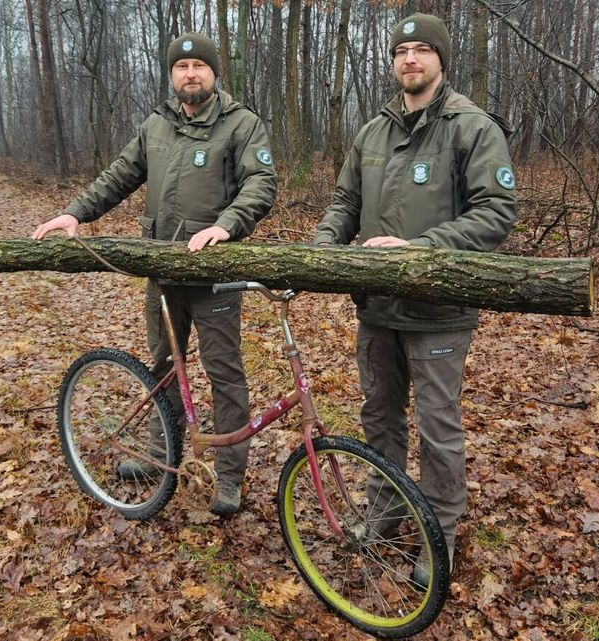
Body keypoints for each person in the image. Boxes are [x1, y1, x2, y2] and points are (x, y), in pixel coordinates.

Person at [32, 33, 277, 517]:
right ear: (172, 74)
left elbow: (261, 182)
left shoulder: (241, 124)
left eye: (199, 66)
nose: (190, 74)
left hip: (214, 279)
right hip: (161, 274)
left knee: (224, 374)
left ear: (213, 73)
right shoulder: (156, 124)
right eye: (182, 66)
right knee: (163, 366)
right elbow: (120, 175)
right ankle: (160, 455)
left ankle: (228, 476)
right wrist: (75, 214)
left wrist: (226, 227)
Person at [313, 13, 517, 580]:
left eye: (423, 49)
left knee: (437, 425)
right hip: (376, 306)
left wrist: (419, 247)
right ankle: (385, 507)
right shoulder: (373, 130)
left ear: (441, 60)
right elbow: (344, 200)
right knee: (378, 414)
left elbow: (496, 212)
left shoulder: (471, 127)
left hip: (438, 311)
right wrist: (327, 241)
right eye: (402, 50)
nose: (410, 59)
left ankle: (440, 529)